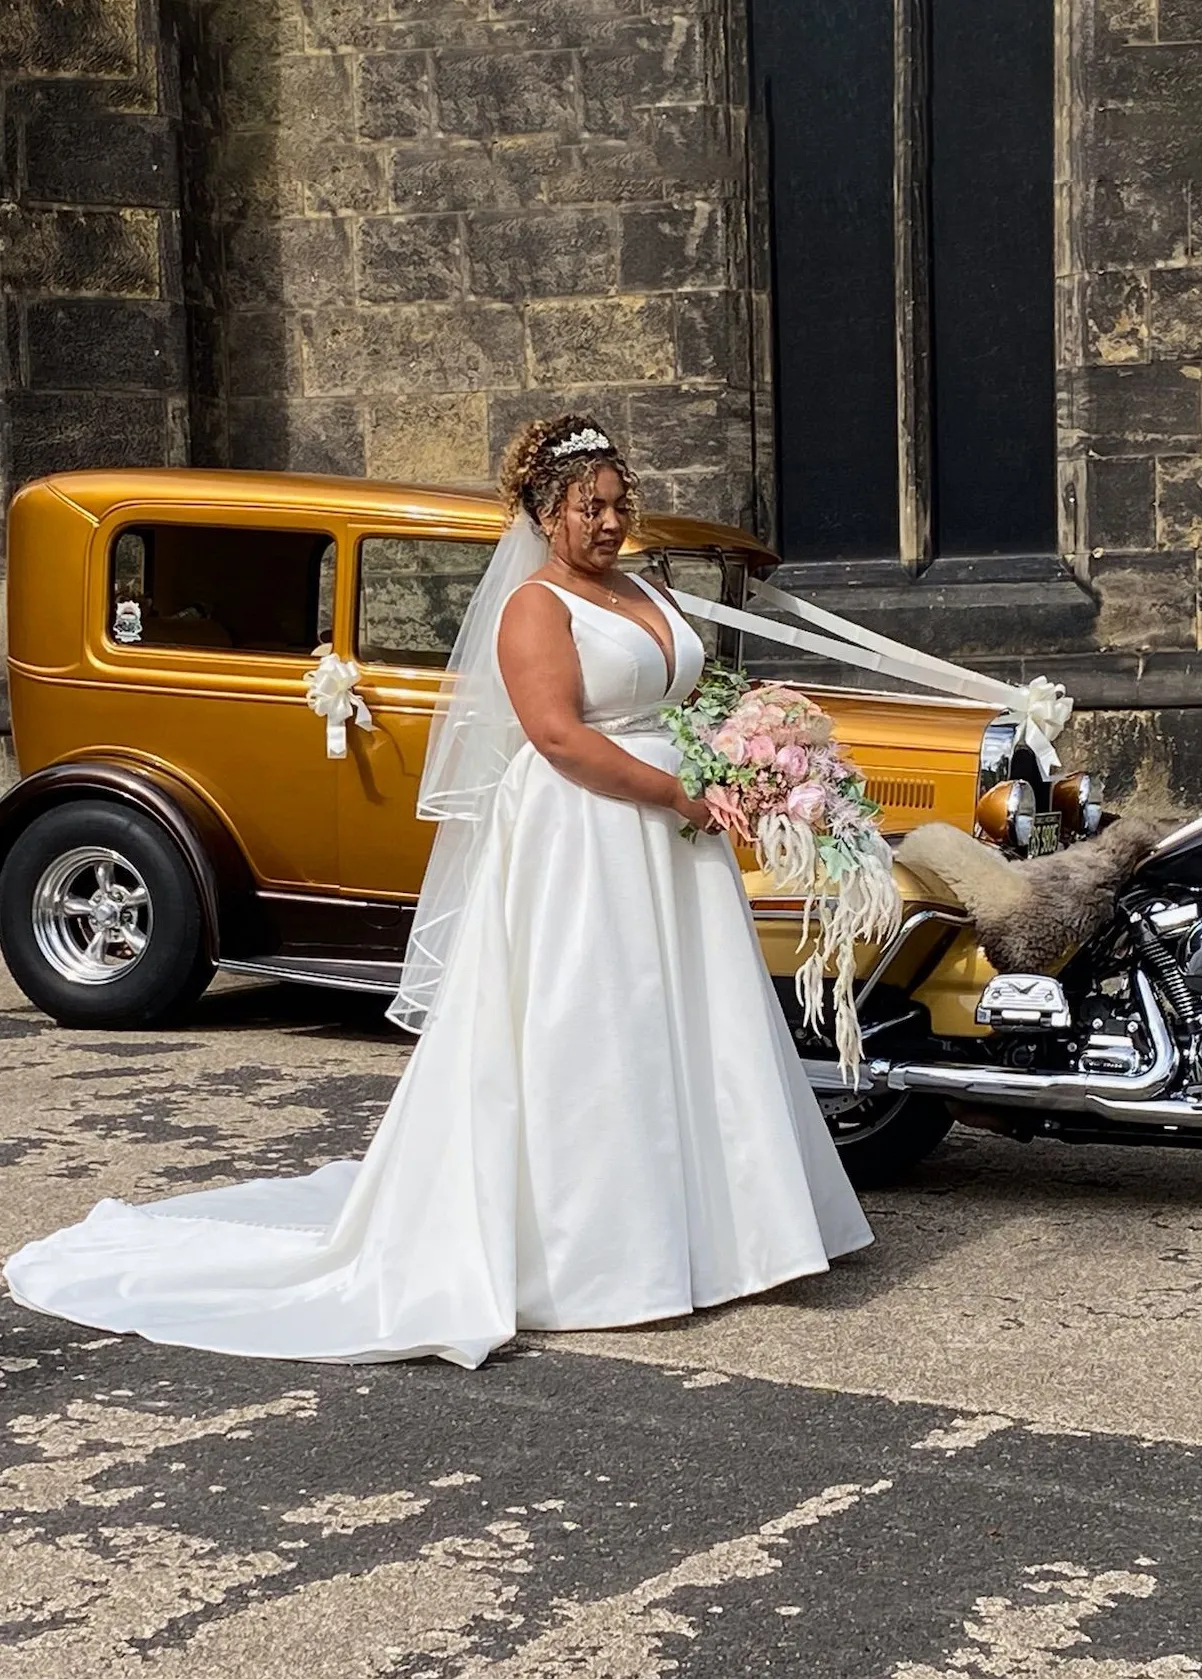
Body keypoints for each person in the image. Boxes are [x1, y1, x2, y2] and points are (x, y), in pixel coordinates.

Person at [3, 417, 873, 1367]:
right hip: (588, 832)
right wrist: (679, 794)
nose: (611, 521)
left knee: (693, 1017)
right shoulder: (535, 607)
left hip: (673, 839)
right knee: (595, 1015)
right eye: (590, 506)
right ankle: (602, 1253)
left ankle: (729, 1232)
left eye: (619, 503)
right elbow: (558, 736)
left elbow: (684, 699)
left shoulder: (643, 590)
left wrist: (747, 753)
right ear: (544, 513)